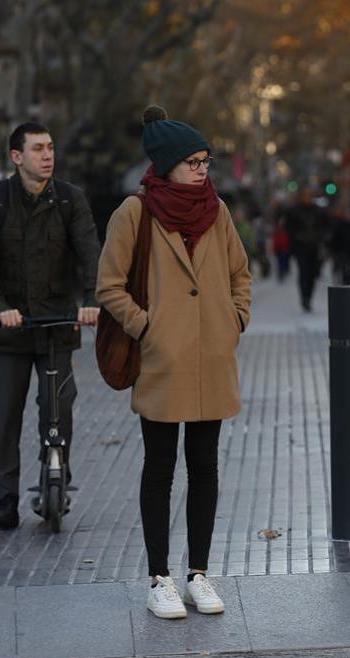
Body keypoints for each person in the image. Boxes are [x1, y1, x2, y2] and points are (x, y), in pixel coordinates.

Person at [97, 105, 251, 621]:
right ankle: (159, 578)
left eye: (206, 160)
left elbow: (240, 273)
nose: (202, 169)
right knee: (159, 469)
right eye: (192, 162)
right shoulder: (135, 212)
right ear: (166, 166)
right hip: (162, 360)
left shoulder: (217, 210)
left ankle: (199, 575)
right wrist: (148, 326)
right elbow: (109, 287)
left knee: (204, 468)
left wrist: (236, 319)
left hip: (212, 356)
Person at [0, 122, 101, 531]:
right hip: (8, 330)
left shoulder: (70, 200)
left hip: (57, 325)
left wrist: (93, 301)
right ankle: (4, 497)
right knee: (4, 418)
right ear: (16, 156)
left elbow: (91, 252)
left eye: (51, 147)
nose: (48, 155)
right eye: (38, 148)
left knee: (58, 408)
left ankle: (56, 478)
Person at [282, 189, 327, 311]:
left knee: (312, 274)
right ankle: (304, 298)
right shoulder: (294, 211)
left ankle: (309, 297)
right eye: (305, 196)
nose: (307, 198)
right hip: (300, 247)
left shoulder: (318, 211)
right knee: (303, 272)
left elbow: (326, 225)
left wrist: (320, 237)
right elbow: (288, 227)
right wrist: (296, 236)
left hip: (314, 246)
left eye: (309, 196)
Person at [327, 205, 350, 285]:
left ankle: (347, 282)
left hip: (349, 250)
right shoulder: (338, 224)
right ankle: (343, 281)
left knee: (349, 268)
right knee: (342, 267)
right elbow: (333, 238)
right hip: (340, 251)